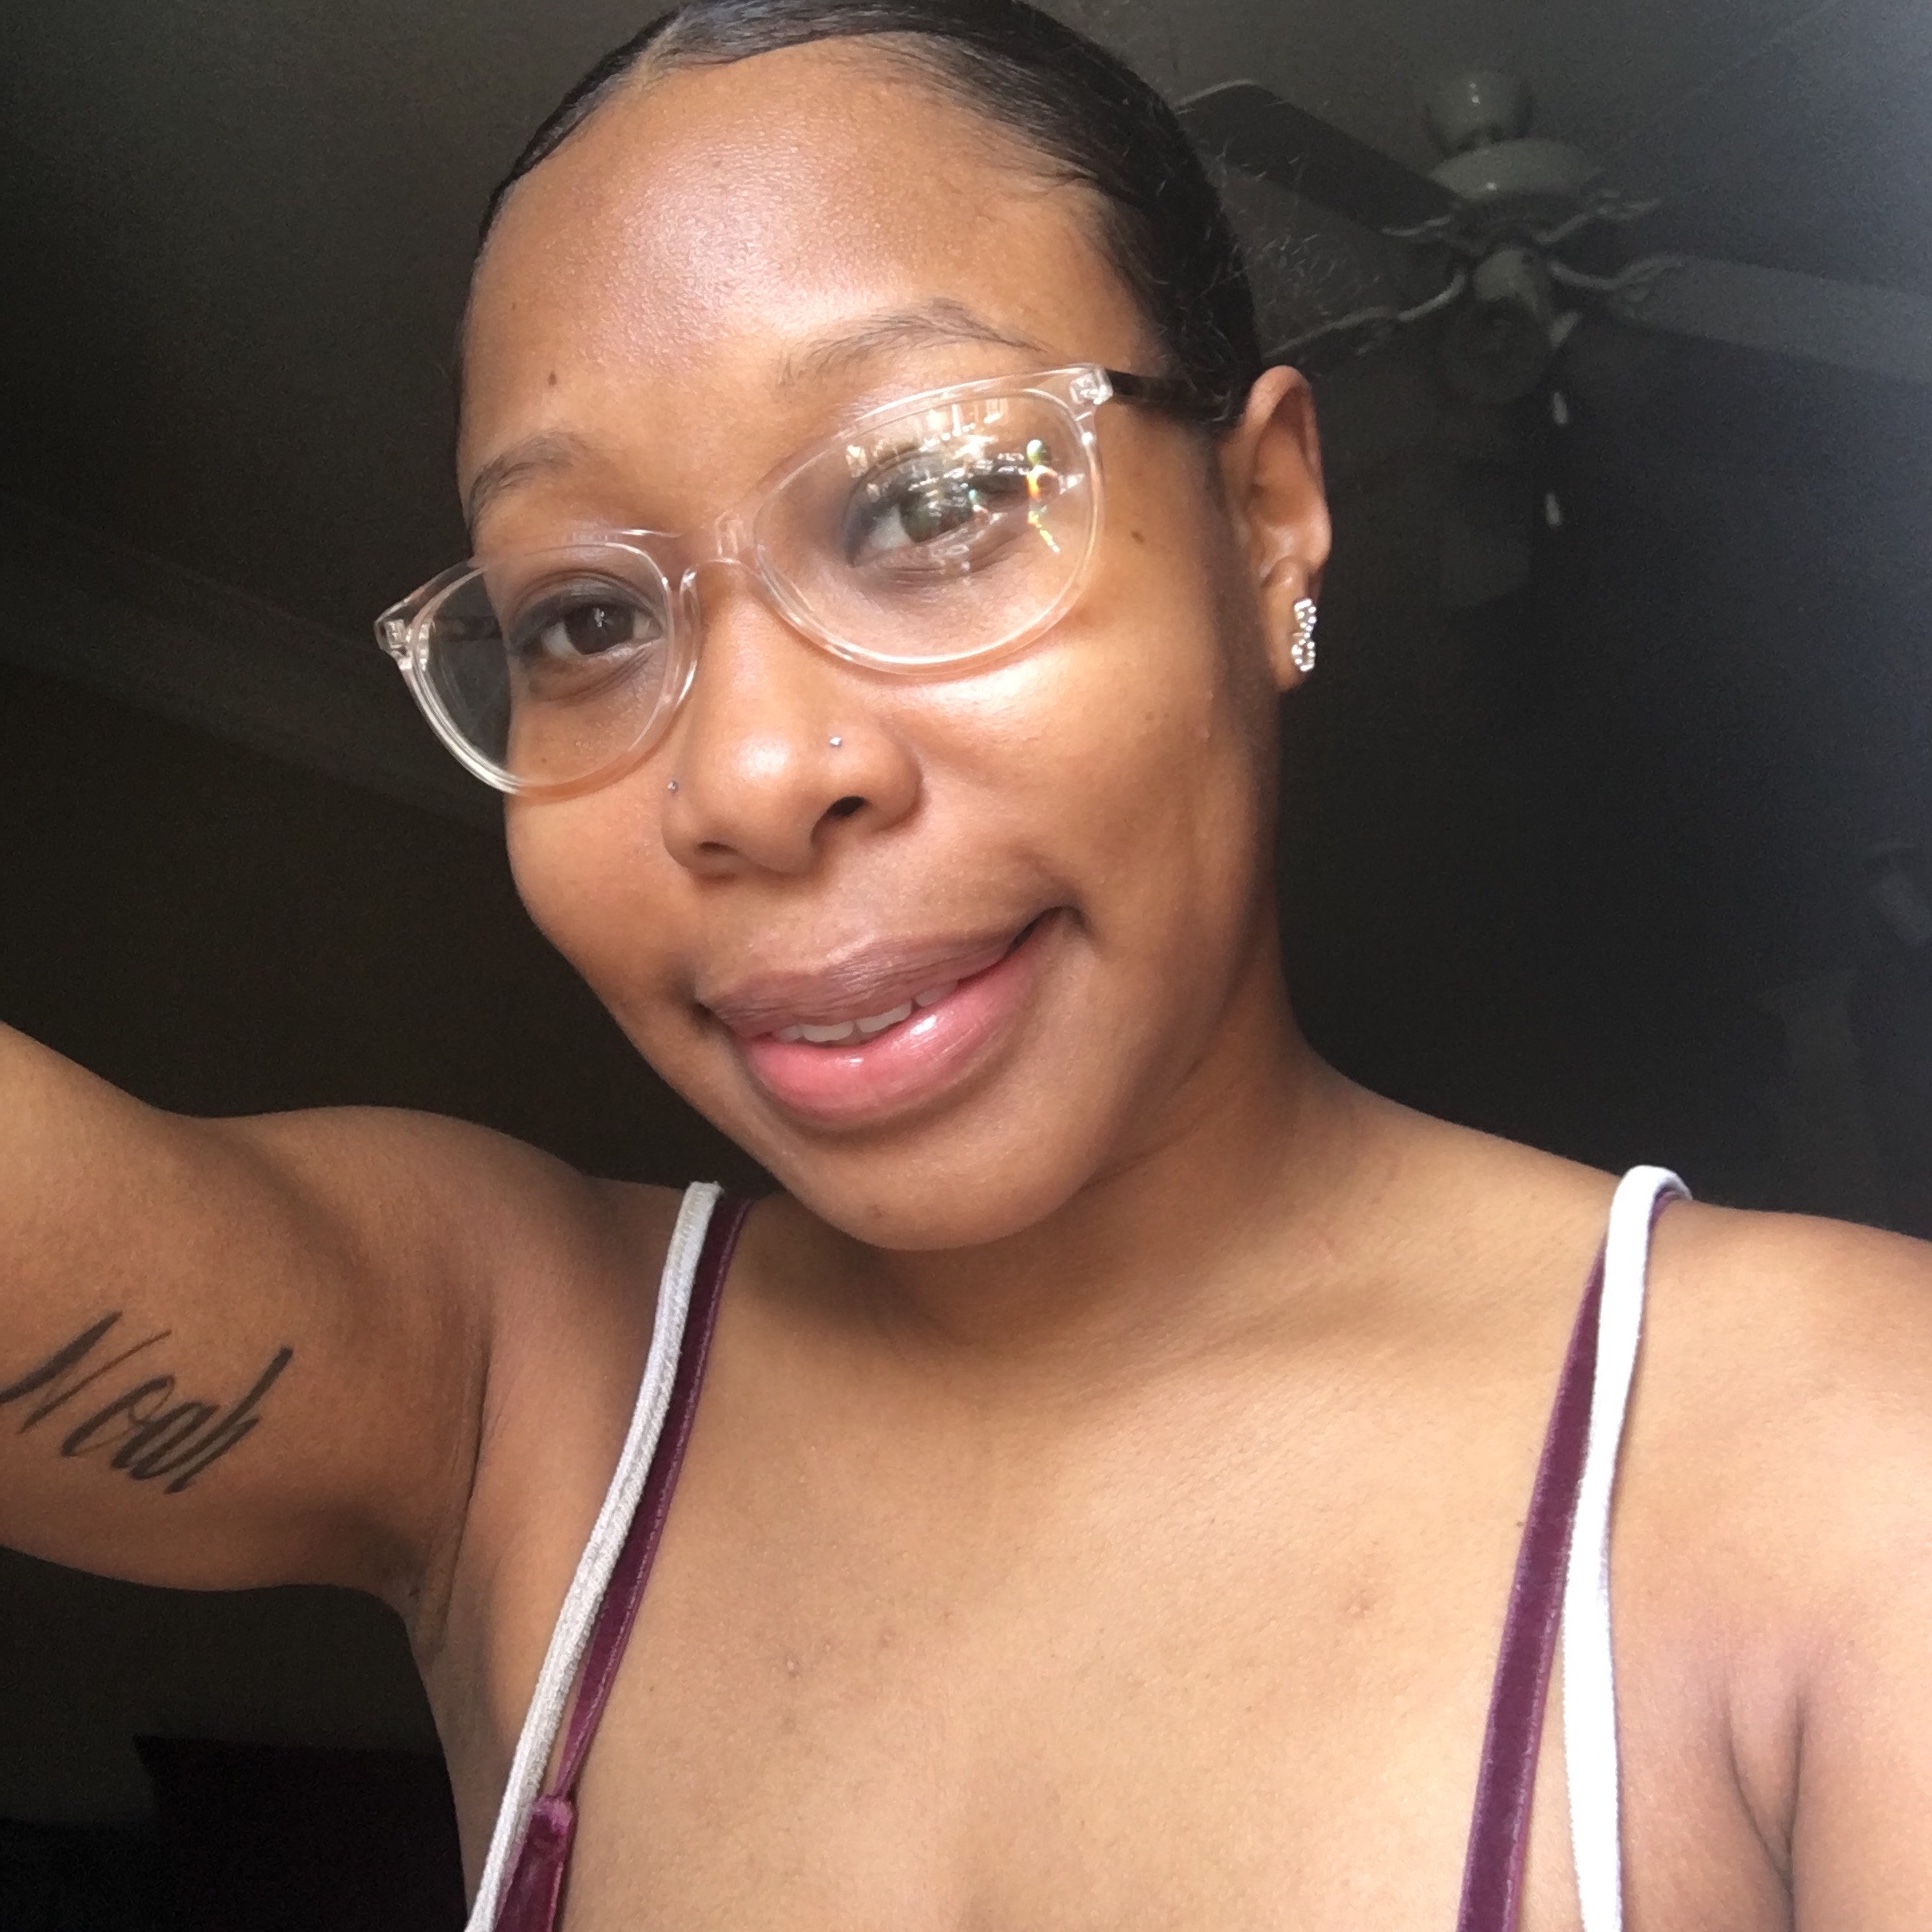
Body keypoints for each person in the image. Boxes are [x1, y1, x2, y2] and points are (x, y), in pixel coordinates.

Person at [5, 0, 1931, 1924]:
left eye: (929, 501)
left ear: (1267, 519)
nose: (751, 777)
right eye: (584, 615)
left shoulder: (1837, 1455)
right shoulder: (522, 1393)